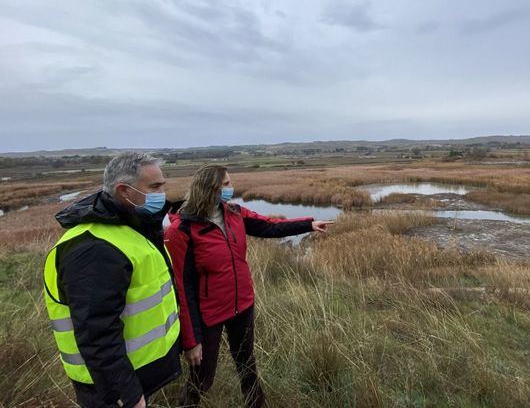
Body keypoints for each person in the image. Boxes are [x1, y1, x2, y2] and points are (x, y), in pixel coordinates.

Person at [165, 164, 333, 407]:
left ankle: (257, 404)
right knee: (202, 378)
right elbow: (183, 288)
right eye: (225, 184)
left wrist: (308, 224)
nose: (230, 188)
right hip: (208, 314)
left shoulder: (234, 212)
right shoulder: (182, 230)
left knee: (247, 363)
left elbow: (269, 226)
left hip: (242, 305)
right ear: (209, 188)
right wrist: (191, 341)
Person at [44, 153, 181, 408]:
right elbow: (97, 331)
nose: (162, 193)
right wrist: (126, 394)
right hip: (108, 390)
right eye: (155, 187)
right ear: (124, 191)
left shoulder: (133, 229)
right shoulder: (93, 248)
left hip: (135, 374)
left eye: (162, 185)